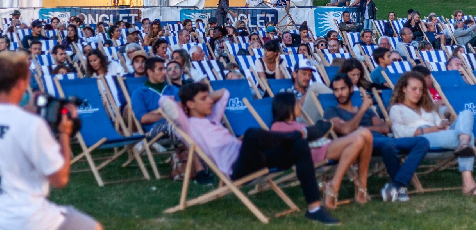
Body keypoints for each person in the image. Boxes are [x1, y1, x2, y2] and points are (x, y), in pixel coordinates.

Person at [159, 83, 340, 224]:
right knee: (252, 134)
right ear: (189, 104)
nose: (209, 101)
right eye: (203, 99)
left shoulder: (211, 118)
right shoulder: (187, 126)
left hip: (255, 158)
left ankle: (314, 209)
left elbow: (224, 93)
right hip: (239, 168)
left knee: (299, 146)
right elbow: (164, 102)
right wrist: (186, 104)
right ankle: (300, 133)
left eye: (208, 97)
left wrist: (201, 97)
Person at [0, 51, 100, 229]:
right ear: (22, 82)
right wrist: (64, 133)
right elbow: (60, 179)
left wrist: (28, 109)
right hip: (29, 220)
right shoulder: (31, 125)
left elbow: (3, 118)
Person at [324, 74, 429, 203]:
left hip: (384, 140)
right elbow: (345, 130)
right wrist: (362, 111)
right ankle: (400, 188)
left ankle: (396, 185)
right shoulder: (332, 111)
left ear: (351, 89)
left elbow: (384, 128)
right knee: (387, 144)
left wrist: (361, 129)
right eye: (336, 90)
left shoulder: (367, 111)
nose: (340, 93)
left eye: (343, 88)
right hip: (362, 144)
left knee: (422, 141)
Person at [389, 71, 476, 197]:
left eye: (421, 90)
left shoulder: (426, 107)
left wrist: (443, 125)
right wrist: (428, 130)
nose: (418, 93)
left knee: (466, 113)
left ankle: (464, 144)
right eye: (414, 89)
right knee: (466, 135)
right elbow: (399, 132)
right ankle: (468, 183)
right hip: (419, 139)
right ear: (404, 89)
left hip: (439, 135)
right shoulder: (397, 109)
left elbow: (439, 124)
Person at [271, 91, 372, 208]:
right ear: (287, 107)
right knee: (361, 136)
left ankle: (358, 185)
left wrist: (323, 126)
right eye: (297, 103)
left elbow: (313, 132)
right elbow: (306, 135)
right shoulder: (278, 126)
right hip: (311, 154)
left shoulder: (297, 123)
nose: (300, 106)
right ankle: (337, 185)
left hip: (321, 147)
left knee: (365, 136)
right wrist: (323, 126)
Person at [129, 57, 181, 138]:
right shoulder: (139, 93)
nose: (164, 72)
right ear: (149, 72)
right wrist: (169, 114)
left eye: (164, 69)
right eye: (160, 69)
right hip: (155, 128)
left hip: (178, 123)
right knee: (178, 126)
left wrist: (158, 112)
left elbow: (183, 108)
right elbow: (143, 118)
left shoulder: (173, 89)